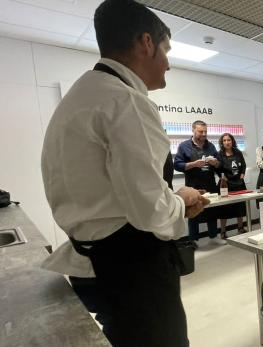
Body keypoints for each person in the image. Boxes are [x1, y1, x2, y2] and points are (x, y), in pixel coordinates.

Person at [40, 1, 208, 345]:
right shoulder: (127, 101)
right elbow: (149, 209)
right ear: (146, 43)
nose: (169, 63)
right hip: (133, 268)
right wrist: (180, 200)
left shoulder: (79, 97)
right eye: (166, 50)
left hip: (92, 265)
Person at [174, 120, 227, 245]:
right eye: (200, 131)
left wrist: (216, 163)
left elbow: (220, 164)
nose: (203, 134)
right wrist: (194, 164)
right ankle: (193, 240)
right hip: (193, 186)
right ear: (193, 130)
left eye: (205, 132)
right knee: (193, 213)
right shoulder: (184, 146)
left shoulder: (211, 146)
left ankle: (213, 236)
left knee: (211, 210)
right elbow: (177, 165)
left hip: (210, 184)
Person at [217, 133, 248, 235]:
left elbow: (243, 164)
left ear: (232, 141)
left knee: (240, 207)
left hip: (239, 183)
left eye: (229, 140)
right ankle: (223, 232)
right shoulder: (219, 154)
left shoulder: (238, 152)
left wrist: (243, 173)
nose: (227, 142)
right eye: (224, 140)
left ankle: (240, 228)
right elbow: (217, 168)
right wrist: (222, 177)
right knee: (224, 209)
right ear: (222, 143)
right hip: (226, 185)